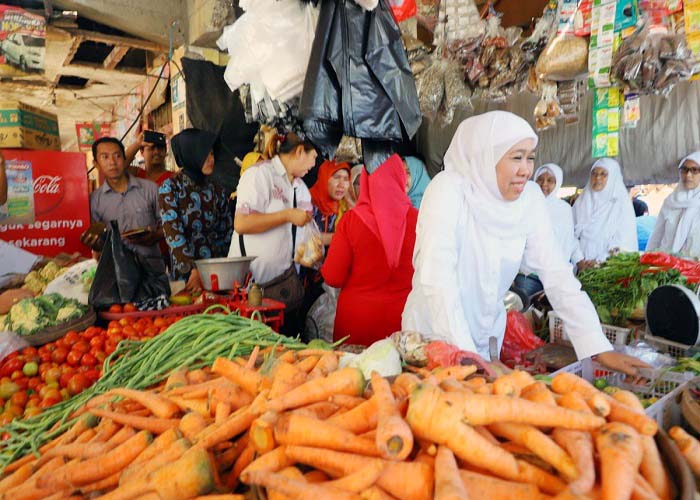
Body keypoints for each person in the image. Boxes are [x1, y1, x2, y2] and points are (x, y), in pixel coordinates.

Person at [402, 111, 647, 376]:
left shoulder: (529, 199)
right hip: (433, 339)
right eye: (516, 157)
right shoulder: (448, 190)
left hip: (484, 340)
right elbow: (437, 281)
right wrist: (467, 357)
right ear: (487, 155)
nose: (526, 170)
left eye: (530, 157)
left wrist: (597, 345)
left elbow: (556, 273)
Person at [322, 155, 417, 345]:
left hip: (357, 325)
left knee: (353, 374)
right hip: (402, 326)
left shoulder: (351, 220)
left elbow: (333, 276)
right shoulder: (419, 219)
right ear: (400, 178)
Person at [229, 133, 316, 332]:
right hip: (252, 290)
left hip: (283, 289)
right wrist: (286, 215)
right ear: (300, 151)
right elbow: (241, 223)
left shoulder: (298, 186)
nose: (314, 163)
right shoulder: (260, 175)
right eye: (314, 156)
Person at [158, 129, 233, 291]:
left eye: (212, 154)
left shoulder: (217, 190)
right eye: (205, 155)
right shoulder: (170, 188)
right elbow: (173, 235)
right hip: (187, 277)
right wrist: (192, 269)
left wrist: (220, 268)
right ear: (190, 154)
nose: (211, 159)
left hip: (216, 274)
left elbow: (225, 234)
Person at [80, 137, 165, 273]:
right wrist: (95, 244)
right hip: (117, 273)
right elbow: (98, 238)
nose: (112, 162)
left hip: (151, 270)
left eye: (117, 156)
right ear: (96, 164)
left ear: (124, 159)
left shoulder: (151, 189)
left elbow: (169, 225)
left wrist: (154, 236)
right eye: (105, 157)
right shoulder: (95, 200)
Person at [516, 163, 585, 297]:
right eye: (540, 179)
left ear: (557, 183)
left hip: (555, 278)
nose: (544, 184)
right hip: (528, 275)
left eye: (550, 180)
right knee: (525, 313)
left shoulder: (565, 209)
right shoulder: (524, 205)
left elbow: (570, 239)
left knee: (548, 315)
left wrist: (579, 260)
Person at [572, 158, 638, 262]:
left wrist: (598, 262)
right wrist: (579, 260)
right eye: (594, 173)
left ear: (613, 177)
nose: (597, 177)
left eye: (603, 174)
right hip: (582, 266)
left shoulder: (622, 205)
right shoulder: (581, 202)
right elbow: (571, 234)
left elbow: (624, 241)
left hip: (609, 267)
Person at [647, 152, 700, 257]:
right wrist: (648, 258)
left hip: (694, 268)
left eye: (694, 170)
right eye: (684, 170)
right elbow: (657, 235)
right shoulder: (670, 202)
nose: (688, 175)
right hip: (666, 266)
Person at [309, 160, 351, 246]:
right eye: (336, 177)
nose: (341, 184)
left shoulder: (343, 208)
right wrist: (338, 238)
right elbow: (299, 237)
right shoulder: (306, 202)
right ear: (324, 178)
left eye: (346, 179)